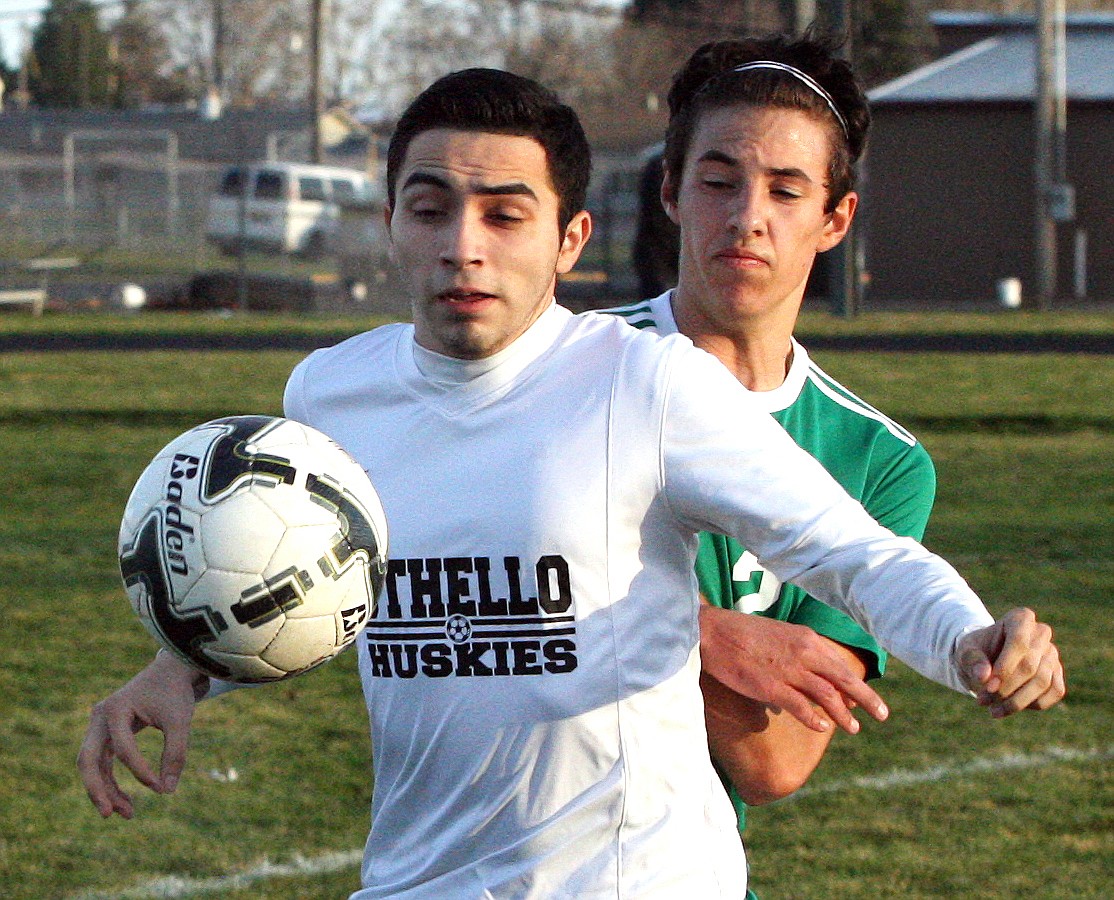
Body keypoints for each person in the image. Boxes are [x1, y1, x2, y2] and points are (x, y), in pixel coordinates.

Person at [79, 68, 1064, 899]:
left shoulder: (646, 384)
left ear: (570, 239)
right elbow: (281, 572)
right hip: (416, 879)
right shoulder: (331, 394)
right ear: (390, 223)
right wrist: (181, 665)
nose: (463, 243)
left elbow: (850, 551)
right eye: (431, 208)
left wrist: (968, 637)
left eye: (505, 213)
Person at [602, 33, 1060, 892]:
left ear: (835, 218)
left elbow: (774, 761)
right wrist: (706, 634)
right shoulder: (571, 369)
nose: (748, 216)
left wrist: (974, 647)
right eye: (718, 181)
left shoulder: (877, 460)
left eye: (786, 189)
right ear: (671, 192)